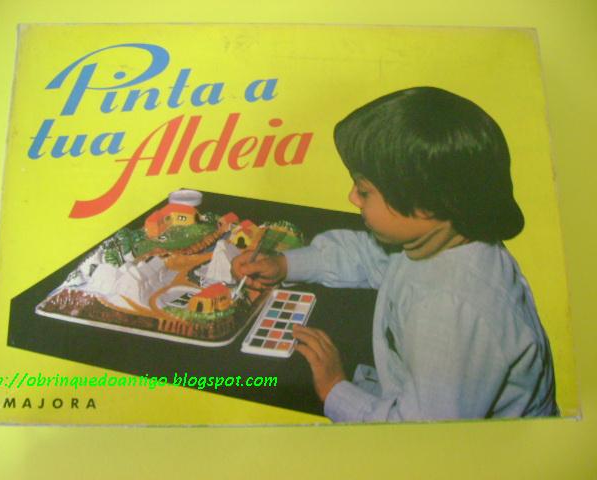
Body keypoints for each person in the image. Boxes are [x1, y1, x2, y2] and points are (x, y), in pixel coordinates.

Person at [231, 86, 558, 422]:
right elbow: (368, 256)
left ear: (426, 206)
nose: (352, 198)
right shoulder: (444, 234)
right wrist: (286, 264)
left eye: (364, 190)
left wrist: (335, 390)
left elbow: (423, 437)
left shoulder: (450, 310)